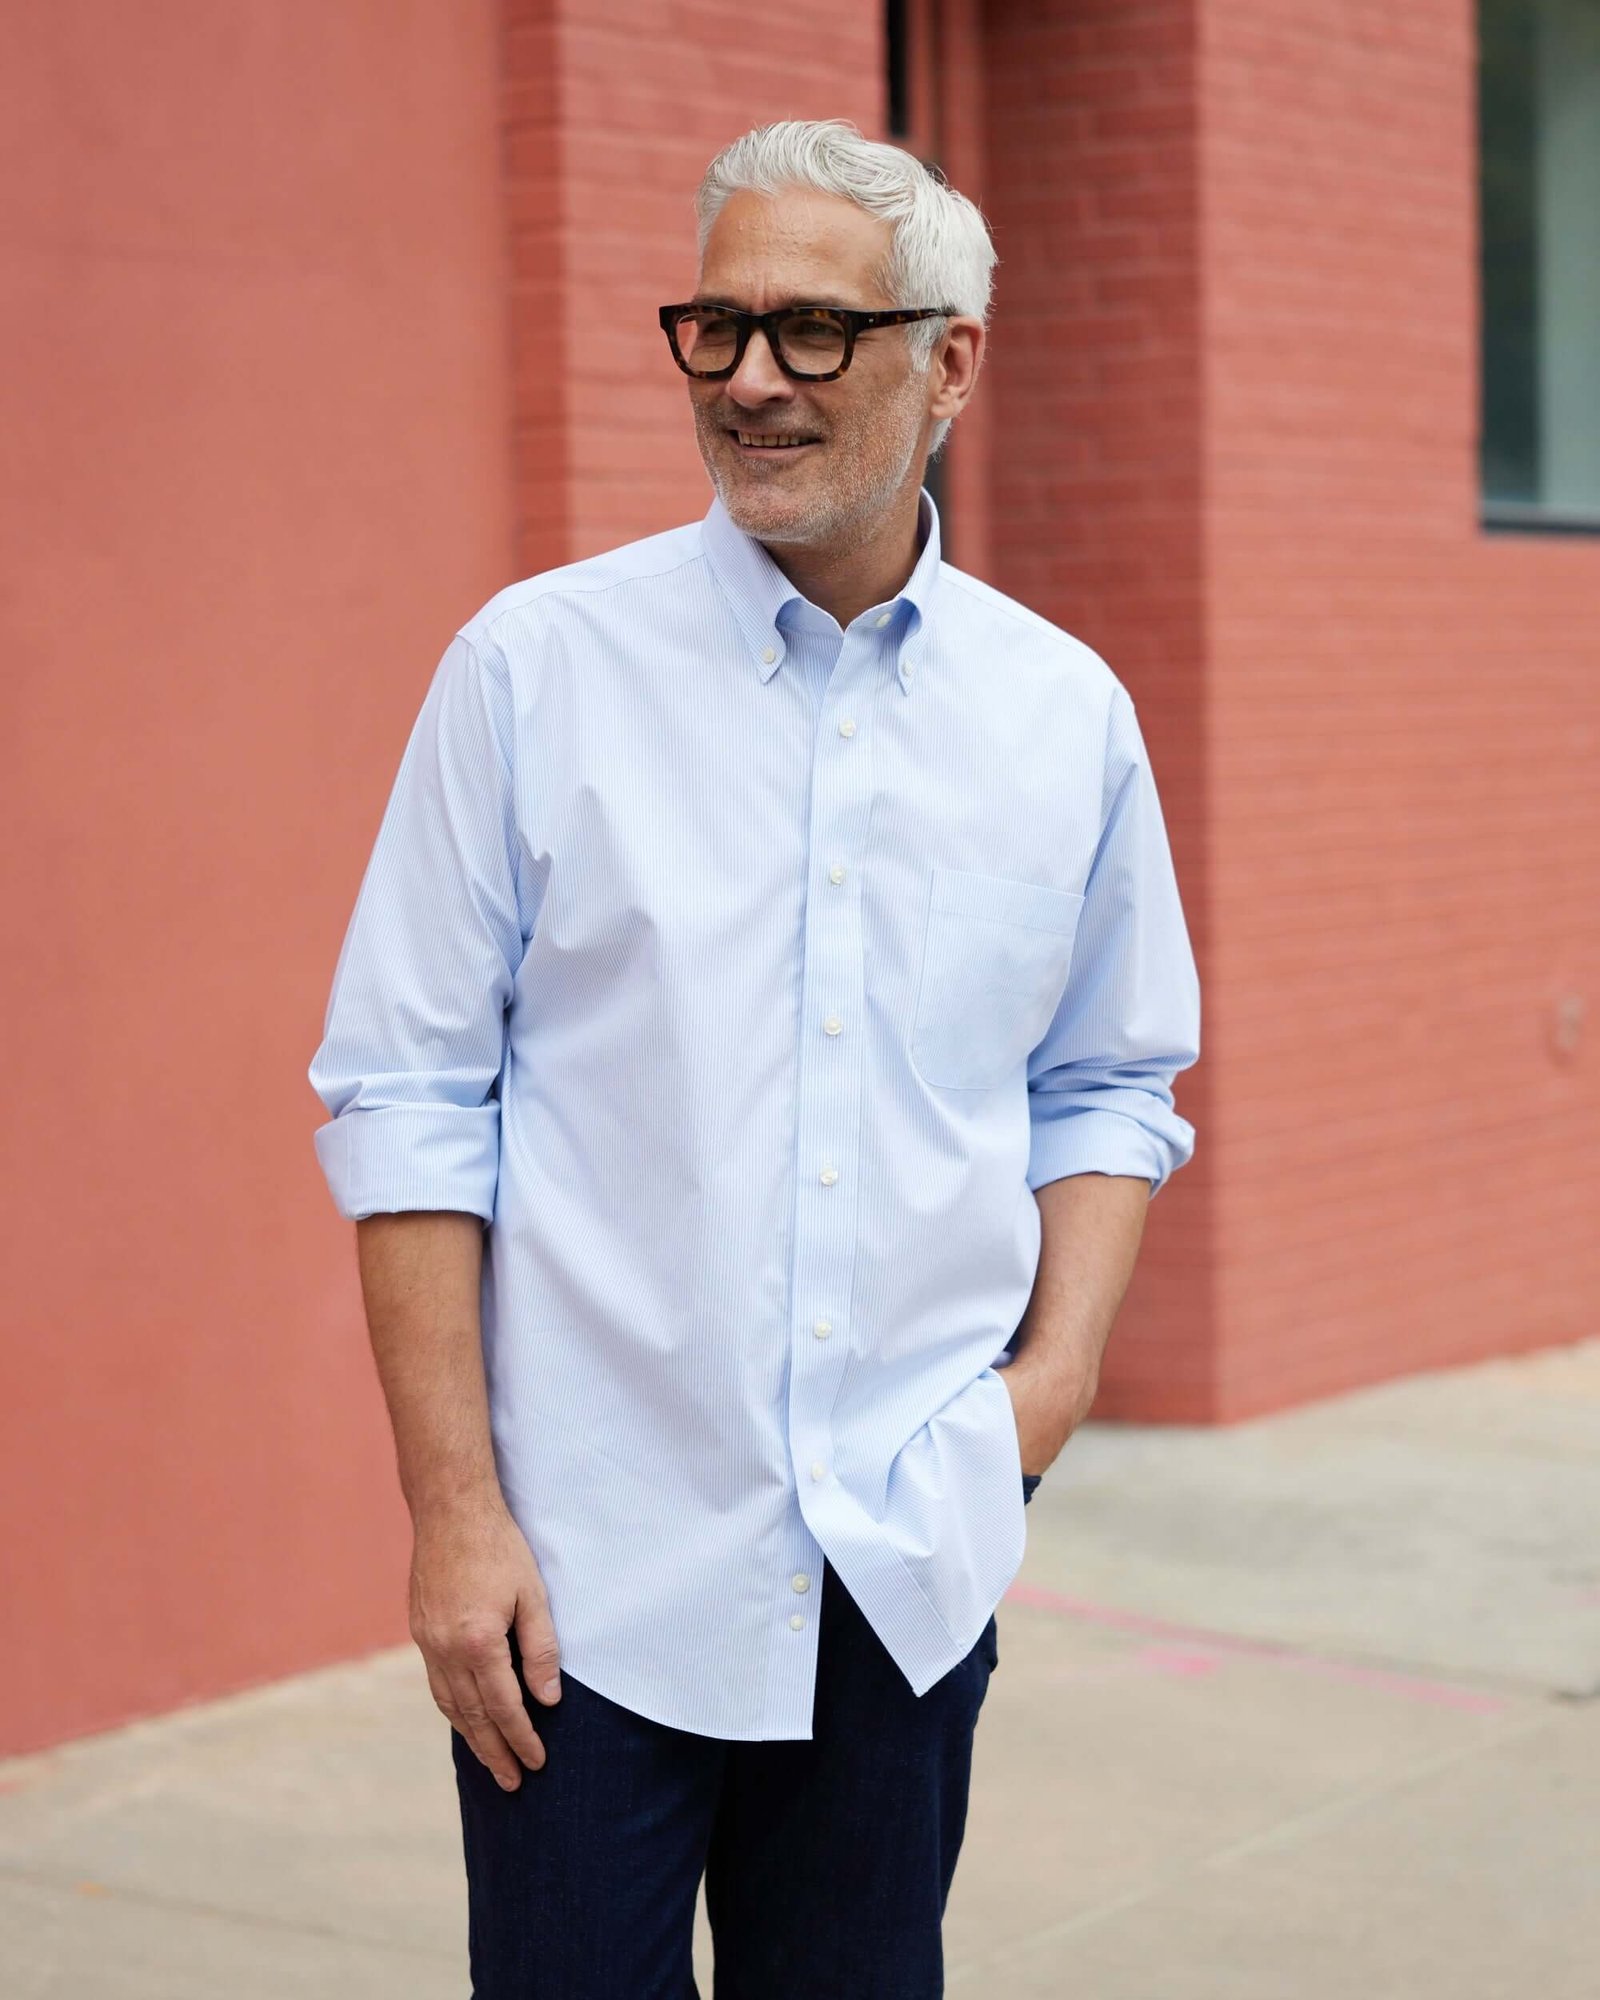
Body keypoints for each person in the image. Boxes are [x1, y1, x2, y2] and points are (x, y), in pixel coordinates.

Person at [308, 116, 1200, 1999]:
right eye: (716, 327)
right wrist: (454, 1518)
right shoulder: (533, 671)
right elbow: (409, 1104)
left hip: (906, 1561)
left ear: (950, 362)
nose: (750, 381)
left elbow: (1109, 1084)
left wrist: (1044, 1396)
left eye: (815, 331)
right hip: (584, 1586)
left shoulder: (1066, 716)